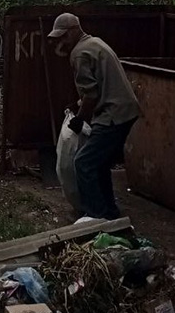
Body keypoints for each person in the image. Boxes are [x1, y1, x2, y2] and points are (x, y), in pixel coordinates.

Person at [47, 13, 140, 220]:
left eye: (63, 37)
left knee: (83, 163)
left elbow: (91, 94)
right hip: (126, 110)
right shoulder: (95, 42)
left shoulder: (79, 54)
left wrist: (79, 118)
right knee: (101, 163)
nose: (61, 42)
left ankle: (95, 217)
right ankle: (109, 213)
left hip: (112, 114)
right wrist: (81, 106)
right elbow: (98, 87)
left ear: (73, 30)